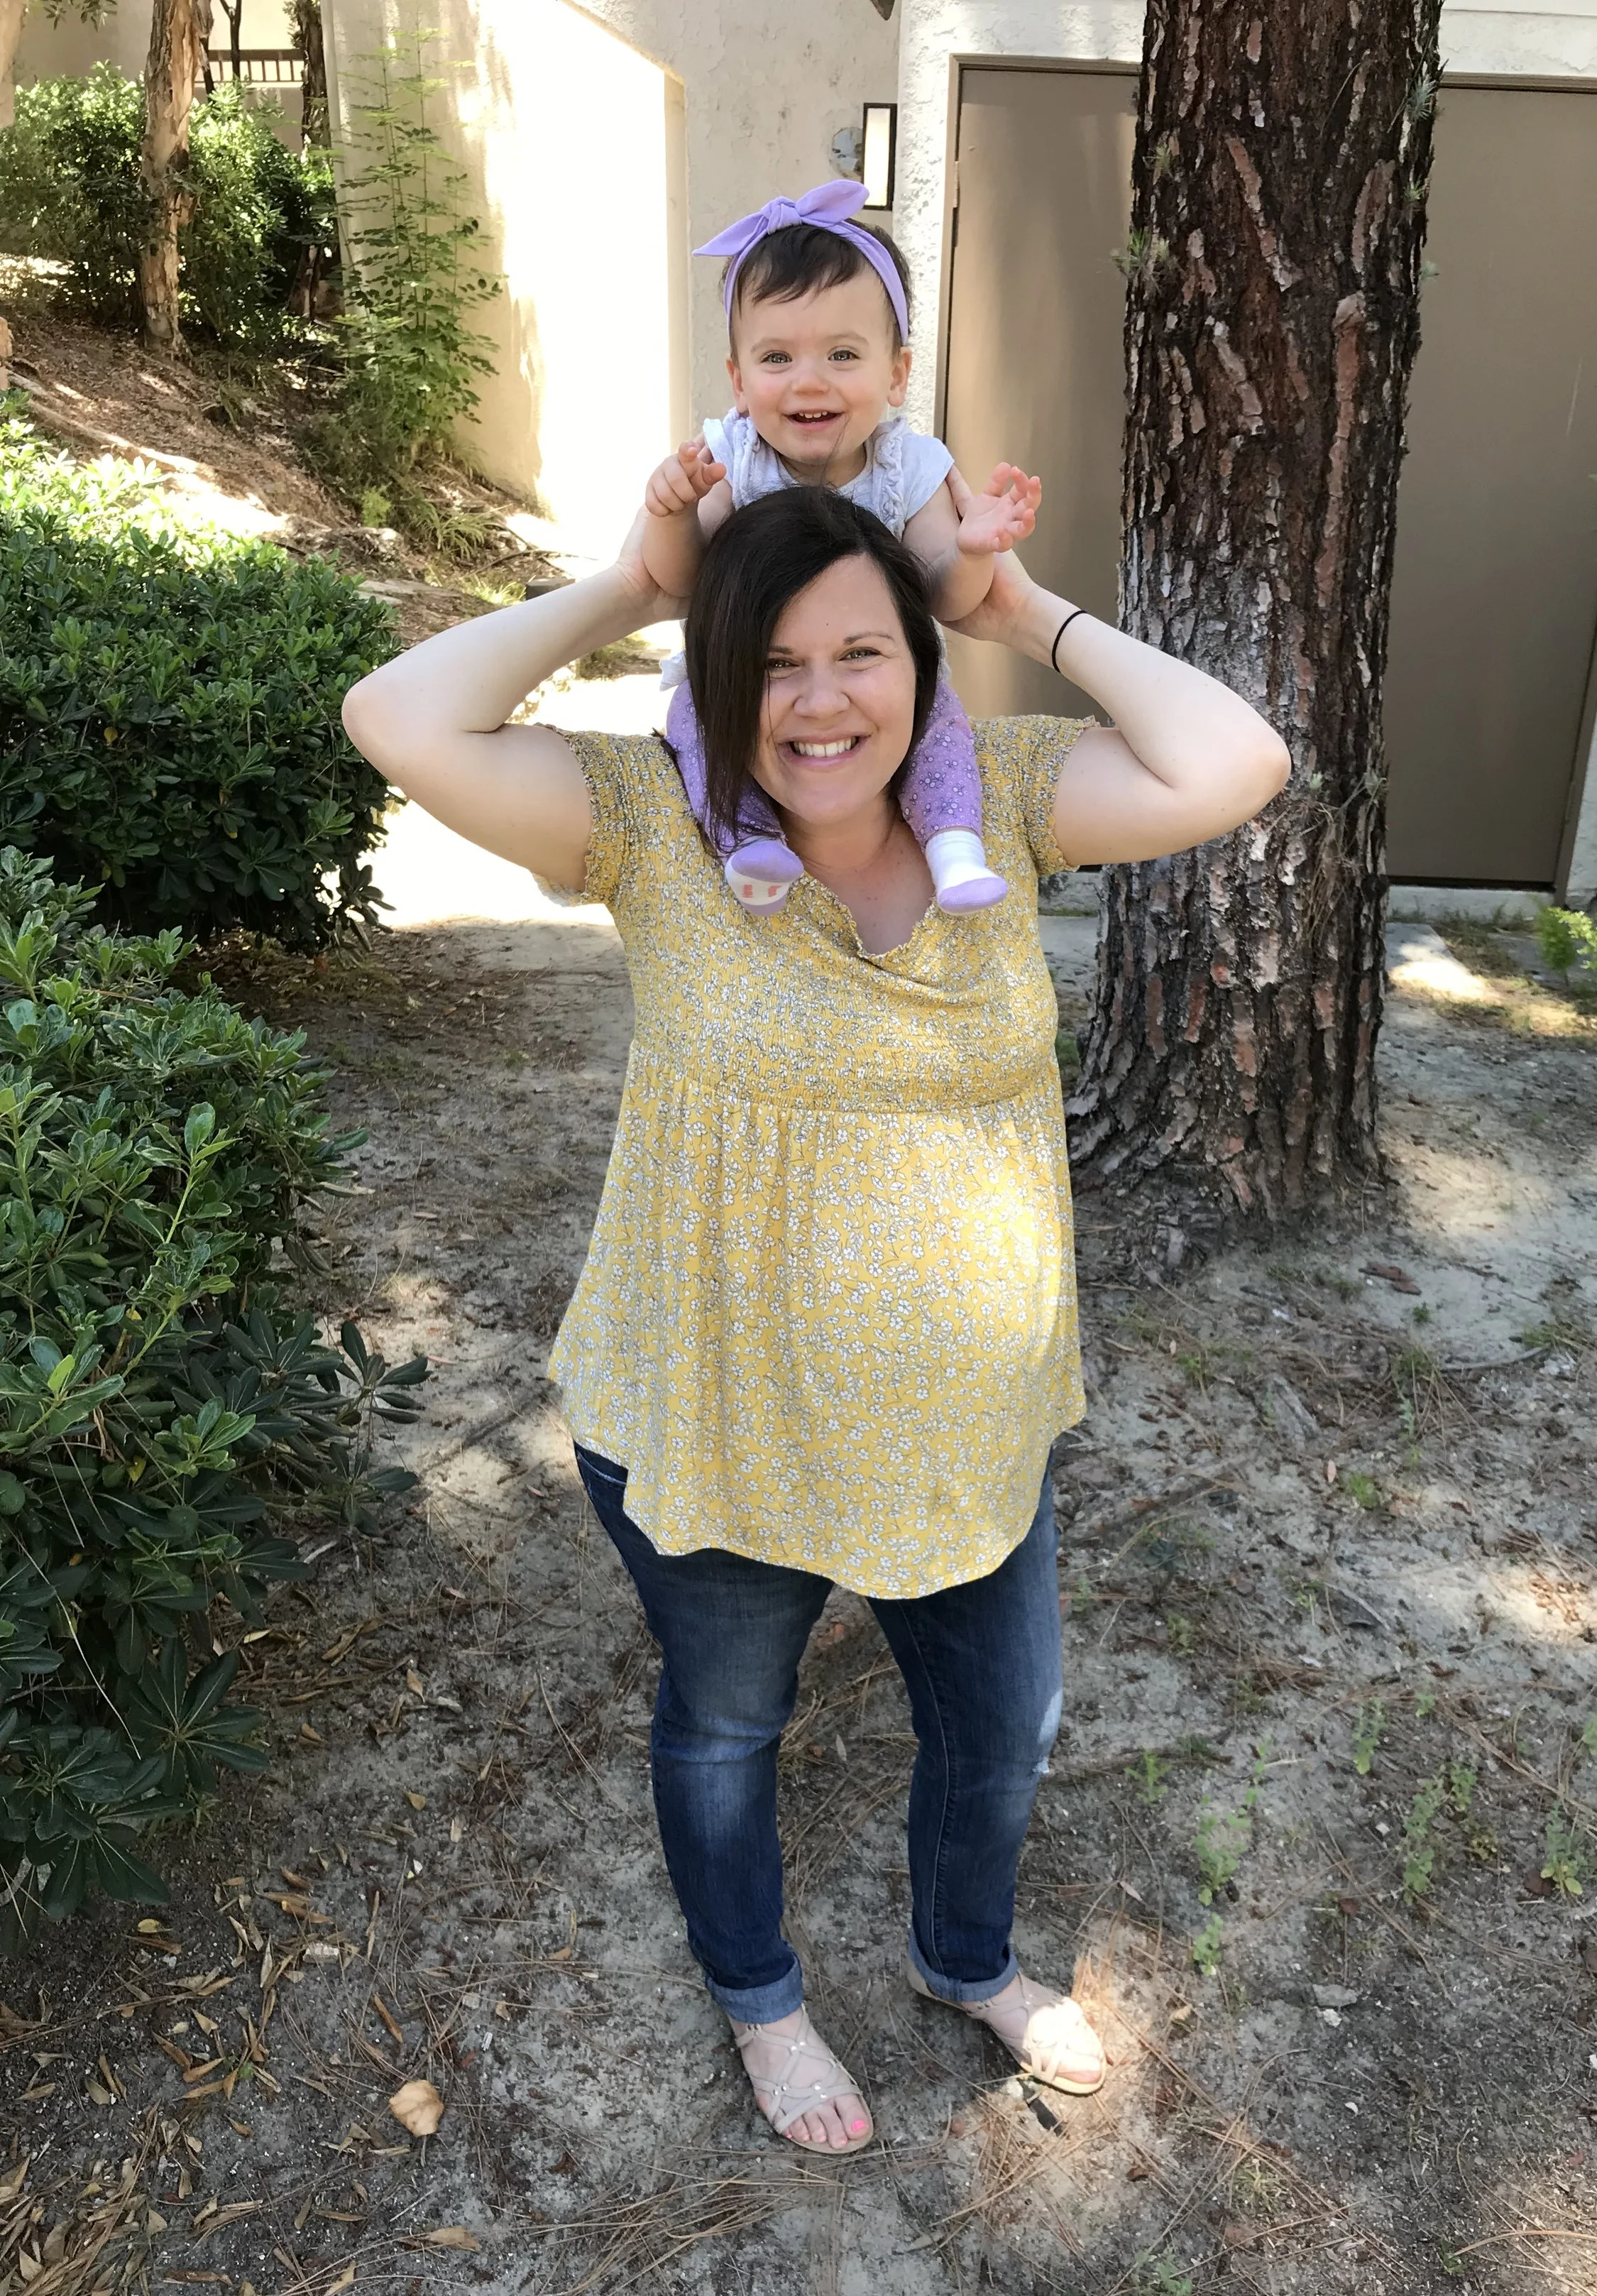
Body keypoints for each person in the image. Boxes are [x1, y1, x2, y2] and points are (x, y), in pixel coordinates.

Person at [341, 486, 1288, 2158]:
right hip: (710, 1404)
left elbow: (1239, 762)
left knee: (1003, 1726)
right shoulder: (646, 819)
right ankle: (762, 1999)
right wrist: (626, 583)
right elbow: (394, 713)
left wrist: (1023, 611)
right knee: (725, 1724)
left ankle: (963, 1956)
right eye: (772, 661)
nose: (823, 697)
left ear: (919, 668)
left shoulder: (1000, 795)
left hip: (965, 1424)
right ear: (712, 675)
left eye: (863, 650)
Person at [642, 178, 1039, 917]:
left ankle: (953, 846)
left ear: (897, 374)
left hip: (872, 686)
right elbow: (681, 581)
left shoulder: (910, 468)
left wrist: (976, 550)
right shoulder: (731, 455)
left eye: (843, 354)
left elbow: (940, 600)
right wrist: (672, 511)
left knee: (941, 720)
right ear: (737, 380)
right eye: (777, 358)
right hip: (749, 677)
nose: (809, 381)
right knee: (693, 716)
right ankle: (746, 838)